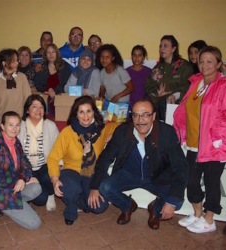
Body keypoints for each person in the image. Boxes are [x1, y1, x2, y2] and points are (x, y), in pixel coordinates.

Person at [89, 99, 188, 230]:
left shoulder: (167, 133)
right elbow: (104, 159)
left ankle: (155, 208)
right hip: (129, 174)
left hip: (158, 176)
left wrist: (171, 201)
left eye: (145, 115)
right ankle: (128, 205)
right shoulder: (122, 132)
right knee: (104, 187)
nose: (140, 120)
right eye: (136, 115)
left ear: (153, 116)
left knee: (177, 201)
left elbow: (181, 167)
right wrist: (95, 186)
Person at [173, 46, 226, 234]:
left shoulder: (223, 86)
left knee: (212, 182)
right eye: (201, 61)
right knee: (192, 181)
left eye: (209, 61)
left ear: (219, 64)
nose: (204, 65)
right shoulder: (196, 83)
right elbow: (188, 111)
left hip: (213, 146)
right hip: (193, 144)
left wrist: (219, 140)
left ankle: (209, 219)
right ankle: (197, 214)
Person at [48, 96, 118, 225]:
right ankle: (71, 208)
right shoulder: (68, 132)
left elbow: (119, 126)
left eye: (89, 111)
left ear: (94, 112)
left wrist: (114, 135)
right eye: (81, 112)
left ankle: (83, 201)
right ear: (76, 114)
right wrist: (55, 180)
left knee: (99, 206)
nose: (85, 116)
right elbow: (53, 158)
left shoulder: (101, 129)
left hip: (92, 173)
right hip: (71, 171)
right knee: (70, 188)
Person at [0, 111, 42, 230]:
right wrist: (20, 181)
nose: (14, 128)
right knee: (35, 224)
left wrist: (23, 179)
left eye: (17, 125)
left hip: (15, 185)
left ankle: (16, 205)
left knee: (37, 188)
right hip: (1, 191)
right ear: (2, 126)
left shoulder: (16, 142)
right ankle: (0, 206)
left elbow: (25, 164)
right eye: (10, 125)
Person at [18, 94, 59, 211]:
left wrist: (59, 165)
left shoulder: (50, 126)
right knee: (40, 200)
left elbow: (58, 148)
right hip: (26, 166)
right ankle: (31, 193)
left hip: (45, 164)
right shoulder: (20, 126)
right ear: (27, 109)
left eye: (41, 107)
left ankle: (51, 194)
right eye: (34, 106)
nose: (38, 110)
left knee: (47, 177)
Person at [145, 35, 193, 121]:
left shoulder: (184, 66)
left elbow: (189, 86)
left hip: (179, 108)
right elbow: (148, 86)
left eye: (165, 46)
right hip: (159, 109)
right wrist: (157, 93)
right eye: (160, 46)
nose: (162, 49)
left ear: (173, 49)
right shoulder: (157, 68)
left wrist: (172, 93)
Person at [0, 49, 31, 135]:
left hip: (18, 127)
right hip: (0, 126)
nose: (17, 63)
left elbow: (28, 101)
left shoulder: (22, 78)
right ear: (4, 63)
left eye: (16, 60)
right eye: (13, 60)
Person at [34, 43, 71, 114]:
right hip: (45, 100)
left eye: (53, 52)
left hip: (61, 99)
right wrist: (48, 89)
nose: (51, 54)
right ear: (45, 55)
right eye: (48, 52)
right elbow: (38, 85)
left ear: (57, 53)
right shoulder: (42, 68)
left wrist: (55, 91)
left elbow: (67, 84)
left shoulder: (65, 66)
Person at [126, 45, 151, 109]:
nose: (137, 58)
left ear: (143, 57)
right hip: (129, 106)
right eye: (134, 55)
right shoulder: (125, 72)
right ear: (131, 56)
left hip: (145, 106)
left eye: (139, 55)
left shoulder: (149, 72)